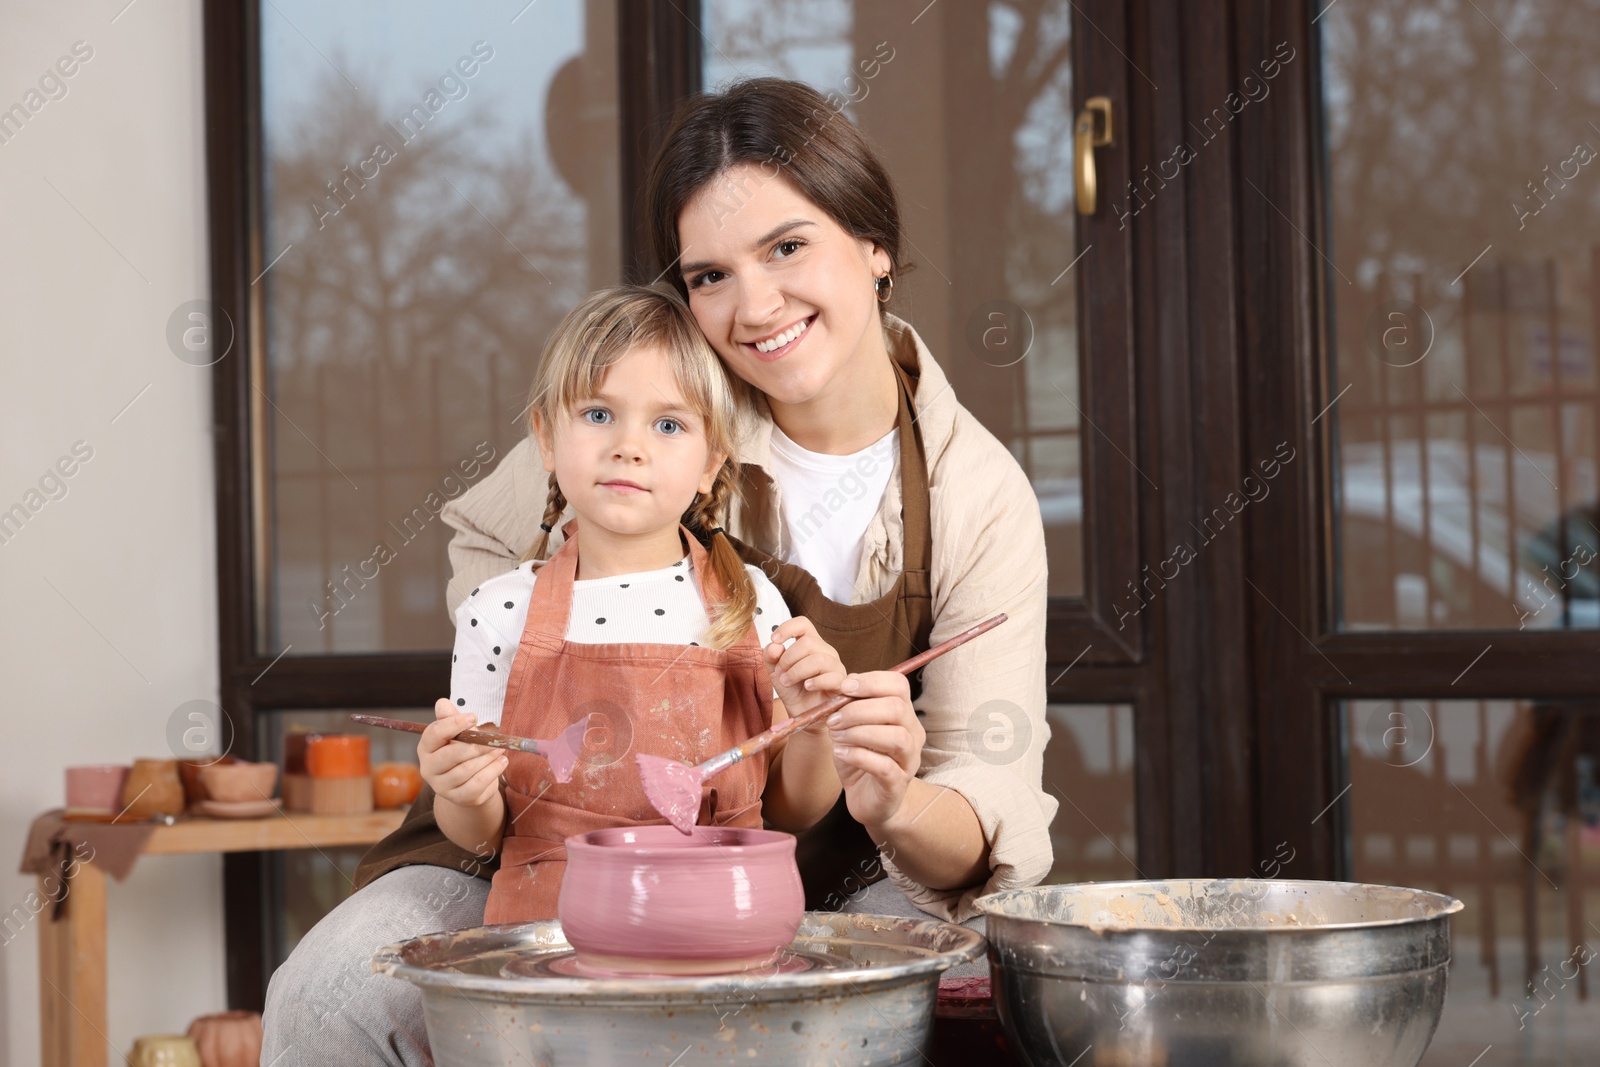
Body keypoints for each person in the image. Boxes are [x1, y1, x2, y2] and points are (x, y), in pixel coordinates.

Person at [264, 77, 1056, 1066]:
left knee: (892, 1000)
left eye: (787, 246)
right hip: (541, 844)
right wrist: (535, 706)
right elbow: (489, 532)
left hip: (832, 868)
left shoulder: (973, 492)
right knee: (333, 988)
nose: (753, 305)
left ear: (873, 243)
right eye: (709, 274)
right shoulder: (658, 394)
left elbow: (985, 802)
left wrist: (893, 798)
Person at [418, 284, 847, 922]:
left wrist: (815, 727)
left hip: (721, 936)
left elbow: (791, 809)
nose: (629, 445)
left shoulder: (749, 603)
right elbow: (483, 836)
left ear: (711, 465)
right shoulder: (497, 612)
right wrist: (459, 791)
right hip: (552, 947)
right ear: (545, 436)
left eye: (668, 424)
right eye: (597, 415)